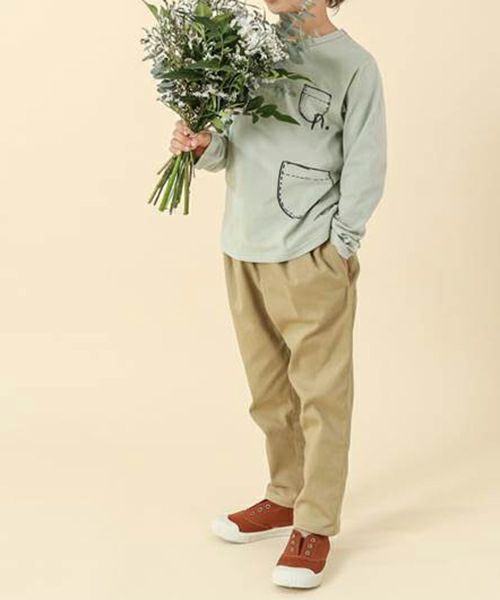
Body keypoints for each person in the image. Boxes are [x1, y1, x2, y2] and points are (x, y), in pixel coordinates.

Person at [169, 0, 387, 589]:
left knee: (322, 397)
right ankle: (285, 494)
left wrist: (339, 245)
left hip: (311, 254)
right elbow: (230, 147)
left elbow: (366, 163)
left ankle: (315, 523)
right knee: (268, 393)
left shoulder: (354, 66)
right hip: (242, 246)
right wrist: (200, 144)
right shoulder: (247, 53)